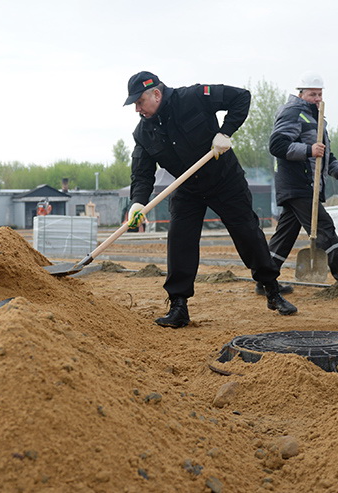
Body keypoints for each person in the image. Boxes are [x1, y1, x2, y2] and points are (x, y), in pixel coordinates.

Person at [124, 71, 297, 328]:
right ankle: (179, 306)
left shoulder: (193, 97)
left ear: (156, 94)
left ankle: (271, 290)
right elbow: (141, 172)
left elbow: (241, 97)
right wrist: (137, 202)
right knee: (180, 240)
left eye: (139, 102)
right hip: (187, 186)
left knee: (247, 233)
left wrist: (225, 132)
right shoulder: (143, 132)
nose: (137, 109)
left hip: (224, 179)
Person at [267, 71, 338, 295]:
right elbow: (277, 145)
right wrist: (308, 149)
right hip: (297, 183)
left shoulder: (316, 117)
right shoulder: (293, 112)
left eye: (320, 94)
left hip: (305, 184)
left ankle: (264, 278)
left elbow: (324, 154)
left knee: (285, 235)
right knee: (325, 227)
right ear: (301, 93)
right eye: (312, 94)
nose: (317, 98)